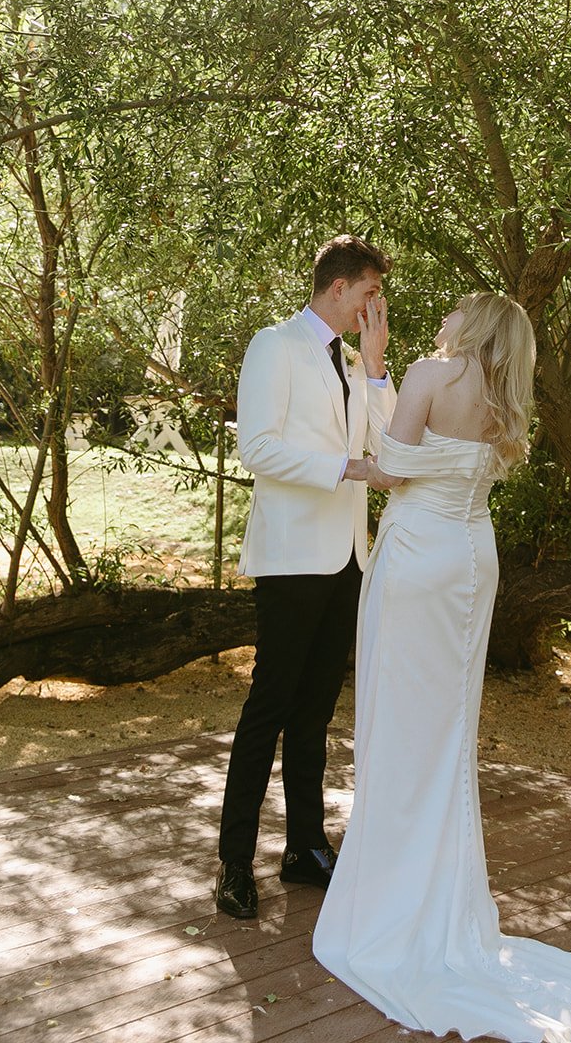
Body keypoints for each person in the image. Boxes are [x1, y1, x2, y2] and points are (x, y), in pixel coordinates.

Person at [313, 292, 571, 1042]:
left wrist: (371, 385)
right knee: (444, 732)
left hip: (416, 558)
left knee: (400, 721)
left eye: (452, 311)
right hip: (472, 557)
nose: (439, 318)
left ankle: (393, 910)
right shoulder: (504, 393)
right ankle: (437, 900)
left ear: (470, 327)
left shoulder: (433, 372)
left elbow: (393, 470)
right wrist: (379, 375)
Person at [215, 235, 396, 921]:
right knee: (269, 708)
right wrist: (347, 469)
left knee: (316, 713)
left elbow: (390, 437)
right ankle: (234, 861)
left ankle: (303, 848)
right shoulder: (275, 345)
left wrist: (376, 370)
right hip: (291, 557)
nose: (374, 307)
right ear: (340, 288)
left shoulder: (354, 361)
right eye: (370, 293)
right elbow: (257, 447)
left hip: (348, 555)